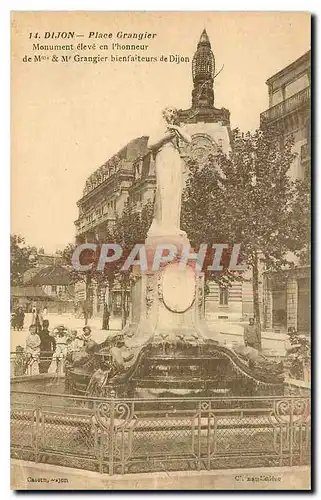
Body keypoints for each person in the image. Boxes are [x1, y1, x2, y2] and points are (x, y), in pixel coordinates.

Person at [147, 107, 192, 238]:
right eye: (169, 111)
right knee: (164, 189)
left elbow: (188, 139)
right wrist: (165, 137)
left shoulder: (175, 128)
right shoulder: (159, 127)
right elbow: (150, 145)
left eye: (173, 112)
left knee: (175, 190)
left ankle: (173, 226)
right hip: (163, 156)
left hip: (175, 156)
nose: (172, 114)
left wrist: (177, 128)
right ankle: (163, 226)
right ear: (163, 113)